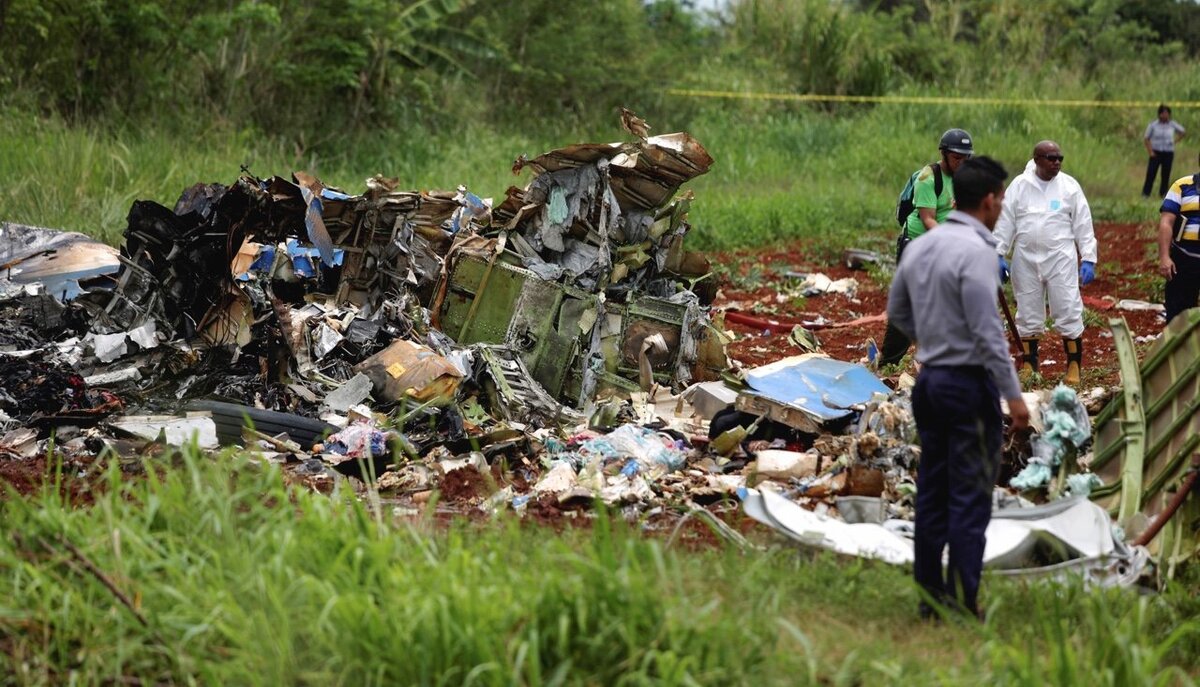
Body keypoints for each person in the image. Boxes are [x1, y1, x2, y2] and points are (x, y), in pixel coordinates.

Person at [887, 156, 1031, 620]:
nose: (1003, 206)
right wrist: (1014, 397)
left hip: (929, 383)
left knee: (932, 491)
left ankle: (929, 600)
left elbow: (899, 316)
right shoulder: (978, 252)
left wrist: (930, 341)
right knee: (969, 495)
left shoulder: (920, 247)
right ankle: (963, 602)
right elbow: (989, 333)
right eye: (1003, 199)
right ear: (989, 201)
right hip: (968, 386)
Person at [994, 141, 1097, 385]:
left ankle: (1073, 366)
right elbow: (1005, 220)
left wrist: (1089, 257)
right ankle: (1030, 365)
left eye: (1060, 158)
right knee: (1028, 310)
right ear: (1037, 159)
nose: (1057, 162)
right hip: (1026, 257)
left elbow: (1083, 223)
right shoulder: (1020, 186)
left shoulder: (1069, 187)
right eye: (1051, 158)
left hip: (1060, 257)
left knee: (1067, 307)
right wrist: (997, 253)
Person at [879, 128, 974, 368]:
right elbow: (927, 218)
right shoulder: (928, 178)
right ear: (944, 154)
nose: (961, 163)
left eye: (966, 158)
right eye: (956, 158)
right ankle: (889, 363)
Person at [1157, 155, 1200, 323]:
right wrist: (1165, 257)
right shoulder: (1182, 186)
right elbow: (1166, 222)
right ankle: (1178, 349)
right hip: (1183, 258)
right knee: (1178, 316)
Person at [1143, 104, 1185, 198]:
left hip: (1168, 153)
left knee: (1165, 174)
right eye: (1163, 113)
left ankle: (1163, 194)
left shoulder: (1172, 124)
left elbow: (1183, 132)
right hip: (1156, 152)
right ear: (1159, 114)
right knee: (1151, 173)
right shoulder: (1153, 125)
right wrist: (1150, 152)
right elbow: (1146, 139)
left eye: (1167, 113)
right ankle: (1145, 194)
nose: (1165, 115)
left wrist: (1174, 141)